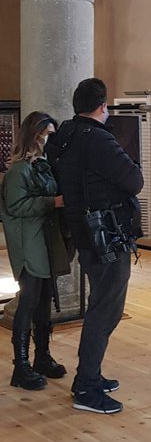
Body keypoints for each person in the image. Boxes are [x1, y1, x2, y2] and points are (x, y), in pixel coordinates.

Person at [47, 77, 144, 414]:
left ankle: (90, 376)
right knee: (106, 310)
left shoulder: (65, 136)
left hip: (83, 232)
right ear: (103, 106)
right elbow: (134, 181)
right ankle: (86, 387)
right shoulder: (98, 140)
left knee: (100, 305)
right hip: (107, 236)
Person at [0, 111, 69, 390]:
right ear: (34, 135)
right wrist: (52, 202)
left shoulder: (42, 166)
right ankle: (22, 366)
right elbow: (15, 207)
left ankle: (42, 357)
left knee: (43, 303)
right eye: (47, 134)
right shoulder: (19, 171)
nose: (49, 139)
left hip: (44, 241)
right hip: (29, 243)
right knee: (28, 303)